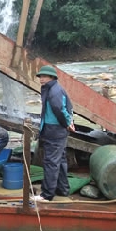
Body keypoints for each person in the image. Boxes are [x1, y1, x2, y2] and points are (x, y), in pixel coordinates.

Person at [34, 65, 75, 202]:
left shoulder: (54, 91)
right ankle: (63, 189)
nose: (41, 79)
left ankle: (47, 194)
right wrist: (69, 122)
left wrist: (66, 123)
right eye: (40, 76)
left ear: (52, 77)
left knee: (51, 162)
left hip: (55, 130)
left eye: (44, 76)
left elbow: (59, 109)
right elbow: (68, 108)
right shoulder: (53, 88)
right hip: (55, 129)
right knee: (60, 159)